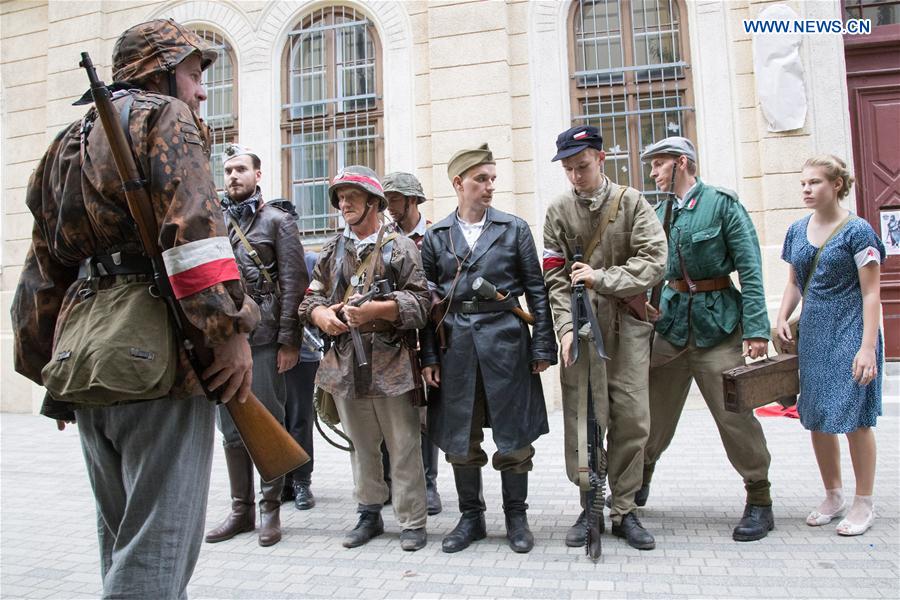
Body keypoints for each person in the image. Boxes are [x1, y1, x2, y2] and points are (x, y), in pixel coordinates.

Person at [10, 19, 257, 598]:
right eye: (195, 75)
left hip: (87, 358)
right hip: (161, 357)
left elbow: (41, 272)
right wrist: (227, 331)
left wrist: (50, 372)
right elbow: (195, 236)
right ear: (161, 73)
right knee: (157, 549)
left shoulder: (62, 146)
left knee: (125, 542)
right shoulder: (165, 117)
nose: (201, 91)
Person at [420, 144, 557, 554]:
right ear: (458, 183)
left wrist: (542, 345)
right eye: (481, 179)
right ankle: (471, 518)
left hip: (507, 344)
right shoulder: (436, 235)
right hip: (456, 351)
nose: (489, 186)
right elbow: (428, 305)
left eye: (493, 178)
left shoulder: (513, 229)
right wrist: (428, 357)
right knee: (461, 440)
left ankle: (517, 517)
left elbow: (537, 289)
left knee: (514, 440)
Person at [639, 136, 776, 542]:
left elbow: (749, 267)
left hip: (718, 329)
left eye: (659, 164)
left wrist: (756, 329)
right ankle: (637, 481)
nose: (653, 172)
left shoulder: (722, 204)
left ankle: (759, 498)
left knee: (734, 417)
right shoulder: (660, 212)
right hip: (670, 328)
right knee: (648, 414)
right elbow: (652, 271)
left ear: (683, 163)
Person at [542, 126, 667, 550]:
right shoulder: (558, 211)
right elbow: (554, 278)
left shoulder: (632, 203)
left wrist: (603, 278)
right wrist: (562, 329)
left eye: (582, 166)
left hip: (626, 326)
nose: (576, 175)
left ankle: (625, 509)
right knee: (582, 418)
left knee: (632, 416)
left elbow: (655, 260)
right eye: (568, 169)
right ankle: (589, 503)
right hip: (579, 327)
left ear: (600, 158)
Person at [298, 165, 431, 551]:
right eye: (340, 197)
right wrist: (322, 315)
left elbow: (422, 303)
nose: (344, 203)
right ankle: (369, 513)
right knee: (361, 444)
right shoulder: (332, 250)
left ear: (373, 201)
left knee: (404, 444)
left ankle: (412, 521)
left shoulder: (400, 246)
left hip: (392, 362)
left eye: (351, 196)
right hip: (346, 365)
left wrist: (378, 310)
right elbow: (310, 298)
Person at [776, 155, 884, 536]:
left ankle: (864, 501)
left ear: (836, 185)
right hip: (815, 332)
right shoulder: (796, 230)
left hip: (853, 330)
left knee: (854, 416)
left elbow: (872, 294)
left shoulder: (859, 232)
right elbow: (794, 283)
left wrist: (868, 347)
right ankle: (833, 494)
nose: (807, 189)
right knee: (818, 414)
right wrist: (780, 317)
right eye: (803, 183)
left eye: (815, 182)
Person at [205, 146, 308, 547]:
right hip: (223, 339)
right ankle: (240, 510)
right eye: (228, 170)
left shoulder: (278, 221)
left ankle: (270, 510)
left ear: (258, 174)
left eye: (241, 169)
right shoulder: (212, 220)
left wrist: (289, 341)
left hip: (265, 340)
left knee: (267, 424)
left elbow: (294, 285)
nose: (233, 176)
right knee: (231, 429)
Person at [381, 171, 442, 516]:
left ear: (411, 200)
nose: (388, 207)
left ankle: (428, 483)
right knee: (393, 412)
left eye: (393, 200)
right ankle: (393, 482)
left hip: (427, 334)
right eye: (386, 199)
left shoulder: (433, 237)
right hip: (393, 335)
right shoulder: (383, 238)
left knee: (424, 415)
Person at [281, 247, 322, 511]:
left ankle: (301, 480)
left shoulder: (309, 261)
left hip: (304, 352)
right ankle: (280, 479)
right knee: (276, 420)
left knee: (300, 418)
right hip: (267, 348)